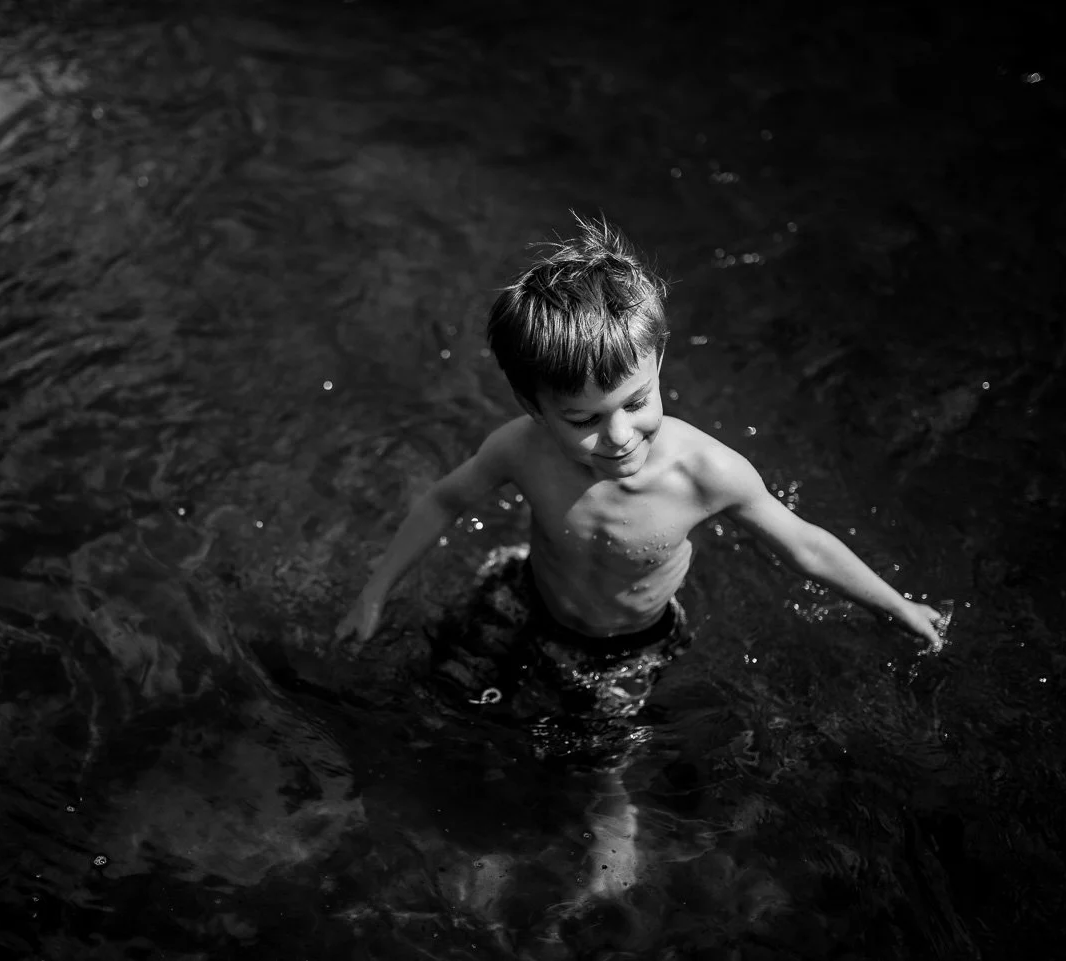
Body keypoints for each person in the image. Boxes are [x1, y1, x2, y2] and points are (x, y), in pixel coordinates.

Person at [333, 213, 947, 939]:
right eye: (584, 418)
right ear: (535, 407)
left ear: (659, 362)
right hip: (525, 592)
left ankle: (612, 829)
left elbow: (804, 545)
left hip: (626, 644)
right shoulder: (520, 448)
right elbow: (444, 498)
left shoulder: (702, 471)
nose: (619, 435)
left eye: (636, 400)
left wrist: (894, 605)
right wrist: (376, 590)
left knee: (596, 753)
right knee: (436, 693)